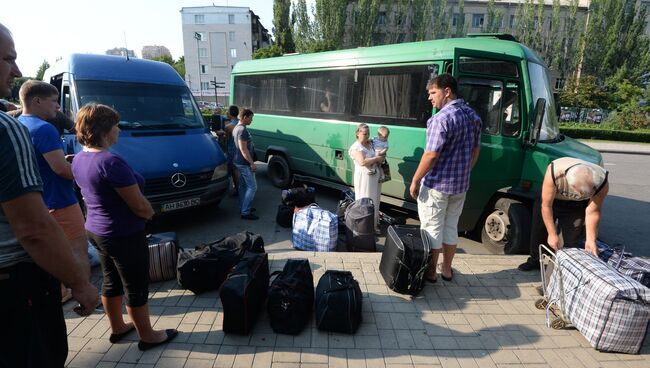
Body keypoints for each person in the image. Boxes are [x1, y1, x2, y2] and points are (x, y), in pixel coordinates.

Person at [0, 22, 99, 368]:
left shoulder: (19, 122)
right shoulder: (19, 127)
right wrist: (80, 285)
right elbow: (33, 229)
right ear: (37, 100)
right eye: (8, 59)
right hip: (16, 278)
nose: (17, 70)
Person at [71, 103, 178, 351]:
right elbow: (139, 205)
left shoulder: (79, 157)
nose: (119, 129)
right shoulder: (110, 162)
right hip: (123, 234)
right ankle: (148, 336)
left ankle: (118, 327)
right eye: (116, 125)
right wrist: (153, 215)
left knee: (111, 280)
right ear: (105, 129)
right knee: (135, 285)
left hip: (97, 231)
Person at [17, 80, 89, 303]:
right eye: (54, 102)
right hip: (61, 200)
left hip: (40, 202)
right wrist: (81, 166)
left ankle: (61, 291)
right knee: (78, 248)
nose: (58, 107)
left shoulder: (19, 124)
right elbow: (62, 170)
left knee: (53, 252)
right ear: (37, 101)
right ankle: (83, 295)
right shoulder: (44, 128)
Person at [409, 74, 481, 283]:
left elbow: (431, 154)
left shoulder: (441, 119)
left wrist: (415, 180)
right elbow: (476, 150)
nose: (429, 98)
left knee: (432, 229)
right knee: (450, 227)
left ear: (447, 91)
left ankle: (431, 272)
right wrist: (465, 171)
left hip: (436, 186)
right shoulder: (472, 116)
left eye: (433, 93)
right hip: (460, 186)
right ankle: (447, 270)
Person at [518, 157, 609, 271]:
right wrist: (551, 234)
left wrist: (591, 240)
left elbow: (593, 212)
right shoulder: (554, 171)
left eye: (585, 194)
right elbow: (546, 206)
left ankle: (558, 271)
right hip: (551, 202)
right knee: (539, 231)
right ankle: (535, 260)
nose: (580, 195)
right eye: (578, 192)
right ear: (568, 181)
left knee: (569, 242)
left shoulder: (602, 182)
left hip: (576, 207)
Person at [349, 123, 385, 231]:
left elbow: (382, 155)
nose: (367, 136)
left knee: (375, 200)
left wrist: (379, 158)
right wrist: (377, 159)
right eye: (364, 134)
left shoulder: (371, 144)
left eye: (368, 133)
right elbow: (362, 162)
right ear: (357, 134)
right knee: (365, 200)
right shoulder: (356, 147)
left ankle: (373, 224)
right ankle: (364, 225)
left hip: (374, 178)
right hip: (364, 178)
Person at [232, 108, 259, 220]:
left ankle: (243, 207)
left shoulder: (237, 128)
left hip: (239, 161)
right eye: (251, 118)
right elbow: (243, 149)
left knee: (243, 186)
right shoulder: (242, 130)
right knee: (252, 187)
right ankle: (245, 212)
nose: (251, 120)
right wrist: (252, 163)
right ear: (244, 117)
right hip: (244, 163)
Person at [223, 105, 240, 196]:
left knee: (232, 170)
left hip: (232, 150)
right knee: (236, 170)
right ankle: (238, 189)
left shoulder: (229, 126)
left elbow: (225, 139)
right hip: (240, 150)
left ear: (229, 113)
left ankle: (237, 190)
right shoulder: (241, 124)